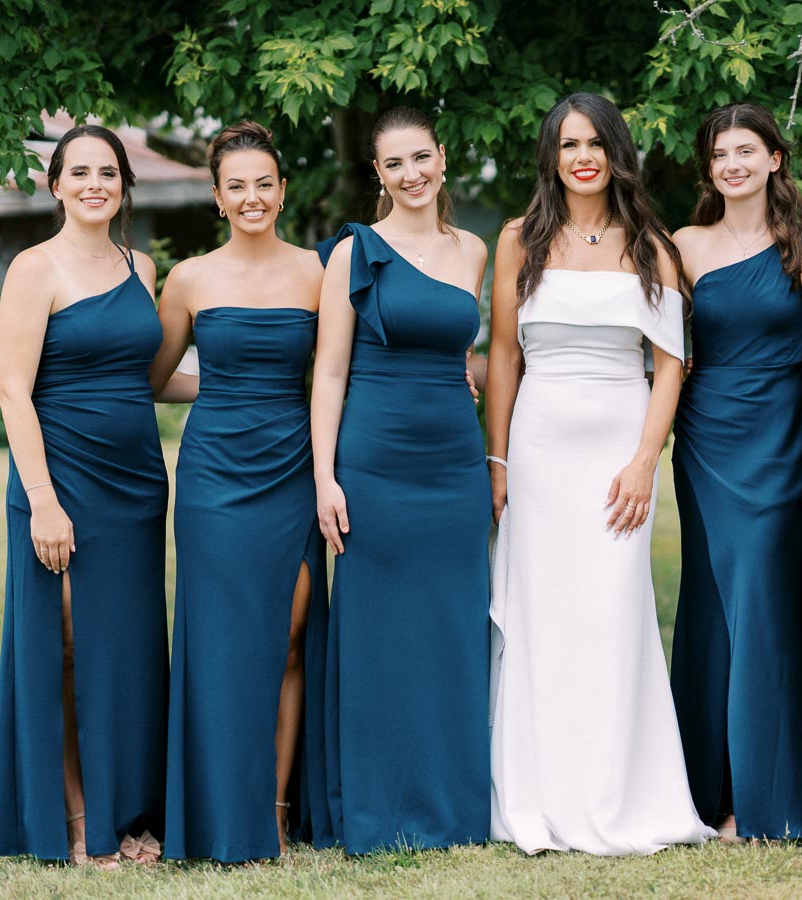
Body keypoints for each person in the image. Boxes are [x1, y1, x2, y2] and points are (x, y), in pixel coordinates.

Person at [485, 91, 715, 856]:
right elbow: (506, 359)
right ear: (551, 156)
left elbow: (672, 363)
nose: (582, 156)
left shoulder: (652, 245)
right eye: (567, 143)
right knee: (544, 617)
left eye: (595, 143)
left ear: (617, 152)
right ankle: (540, 796)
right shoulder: (520, 239)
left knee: (614, 612)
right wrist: (499, 462)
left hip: (621, 448)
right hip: (541, 452)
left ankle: (622, 794)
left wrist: (647, 459)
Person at [0, 125, 168, 868]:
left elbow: (153, 378)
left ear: (124, 184)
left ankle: (131, 811)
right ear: (56, 184)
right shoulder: (35, 268)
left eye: (109, 172)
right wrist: (43, 499)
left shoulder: (144, 267)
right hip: (59, 479)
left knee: (124, 653)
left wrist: (255, 380)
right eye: (80, 171)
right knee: (65, 646)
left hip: (135, 487)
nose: (96, 183)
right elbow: (11, 388)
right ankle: (78, 819)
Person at [312, 107, 492, 854]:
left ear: (443, 160)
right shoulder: (353, 254)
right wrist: (324, 476)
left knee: (453, 630)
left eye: (422, 158)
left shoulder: (475, 250)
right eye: (395, 164)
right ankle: (377, 810)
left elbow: (463, 348)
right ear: (377, 175)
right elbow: (328, 370)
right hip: (374, 460)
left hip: (454, 461)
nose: (412, 174)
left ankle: (453, 808)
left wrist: (472, 375)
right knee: (378, 634)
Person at [151, 121, 329, 863]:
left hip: (293, 468)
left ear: (283, 191)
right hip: (214, 478)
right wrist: (219, 390)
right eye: (237, 187)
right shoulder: (190, 277)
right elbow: (156, 380)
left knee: (289, 638)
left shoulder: (319, 272)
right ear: (217, 198)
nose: (252, 197)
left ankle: (278, 807)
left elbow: (337, 376)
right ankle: (220, 809)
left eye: (265, 183)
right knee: (221, 647)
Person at [667, 102, 802, 843]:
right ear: (709, 168)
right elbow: (664, 350)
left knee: (766, 614)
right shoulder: (684, 245)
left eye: (747, 150)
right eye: (719, 154)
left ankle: (770, 804)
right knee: (709, 614)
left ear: (775, 158)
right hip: (703, 445)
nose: (732, 164)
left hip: (780, 449)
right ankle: (708, 796)